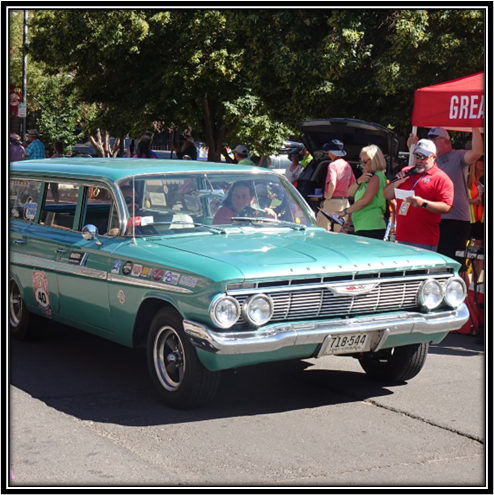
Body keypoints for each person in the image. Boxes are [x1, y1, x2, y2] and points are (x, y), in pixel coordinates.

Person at [408, 127, 483, 267]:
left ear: (446, 141)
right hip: (433, 218)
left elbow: (477, 152)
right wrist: (414, 147)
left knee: (455, 265)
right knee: (436, 263)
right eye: (428, 139)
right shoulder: (429, 161)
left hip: (454, 219)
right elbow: (413, 174)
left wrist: (474, 126)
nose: (430, 142)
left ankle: (461, 288)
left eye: (433, 139)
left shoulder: (458, 156)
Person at [383, 139, 454, 251]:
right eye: (417, 156)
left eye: (424, 157)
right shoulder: (406, 171)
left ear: (433, 157)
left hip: (424, 240)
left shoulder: (441, 178)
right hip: (401, 237)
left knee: (419, 270)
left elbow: (447, 207)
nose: (419, 160)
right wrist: (397, 183)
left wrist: (423, 203)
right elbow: (386, 195)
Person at [334, 144, 387, 240]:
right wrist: (359, 180)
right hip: (363, 226)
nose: (362, 165)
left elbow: (364, 201)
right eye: (361, 161)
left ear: (374, 161)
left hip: (371, 227)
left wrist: (345, 211)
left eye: (365, 162)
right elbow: (350, 193)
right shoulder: (367, 177)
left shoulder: (377, 177)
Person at [316, 139, 356, 232]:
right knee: (341, 230)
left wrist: (328, 197)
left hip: (333, 201)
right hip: (345, 202)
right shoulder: (347, 165)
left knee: (322, 227)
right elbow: (353, 184)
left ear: (332, 152)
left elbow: (332, 183)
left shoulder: (332, 165)